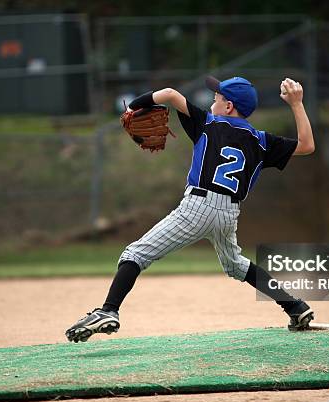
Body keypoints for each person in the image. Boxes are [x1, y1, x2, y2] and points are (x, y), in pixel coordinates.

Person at [66, 76, 316, 343]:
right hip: (228, 213)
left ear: (229, 106)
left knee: (135, 253)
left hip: (198, 206)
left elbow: (171, 94)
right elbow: (306, 146)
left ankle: (109, 310)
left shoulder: (208, 123)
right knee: (236, 266)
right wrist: (297, 103)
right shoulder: (262, 141)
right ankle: (295, 307)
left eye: (217, 98)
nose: (212, 102)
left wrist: (132, 107)